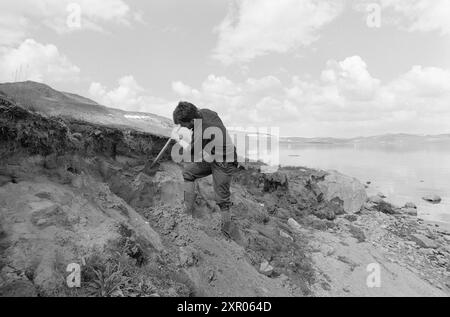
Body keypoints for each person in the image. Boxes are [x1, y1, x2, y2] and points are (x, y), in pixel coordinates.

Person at [171, 101, 237, 237]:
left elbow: (191, 154)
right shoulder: (205, 112)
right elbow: (213, 115)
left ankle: (226, 234)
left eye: (184, 125)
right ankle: (187, 211)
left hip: (225, 161)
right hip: (213, 155)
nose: (184, 128)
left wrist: (179, 140)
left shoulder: (202, 131)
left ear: (192, 120)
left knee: (222, 200)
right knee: (188, 173)